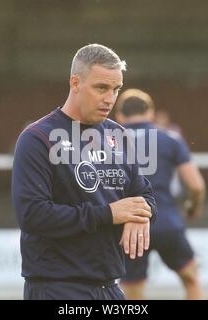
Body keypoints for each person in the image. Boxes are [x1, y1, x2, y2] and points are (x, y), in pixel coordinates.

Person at [12, 44, 157, 300]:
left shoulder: (119, 135)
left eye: (116, 89)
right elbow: (33, 215)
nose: (110, 98)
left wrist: (140, 215)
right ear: (75, 82)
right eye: (101, 88)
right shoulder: (38, 138)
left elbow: (144, 194)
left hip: (110, 288)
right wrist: (108, 214)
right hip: (57, 287)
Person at [115, 89, 206, 300]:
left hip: (130, 228)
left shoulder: (108, 142)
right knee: (191, 280)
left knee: (133, 291)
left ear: (119, 116)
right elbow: (196, 185)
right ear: (151, 113)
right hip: (166, 222)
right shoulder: (170, 138)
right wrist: (193, 207)